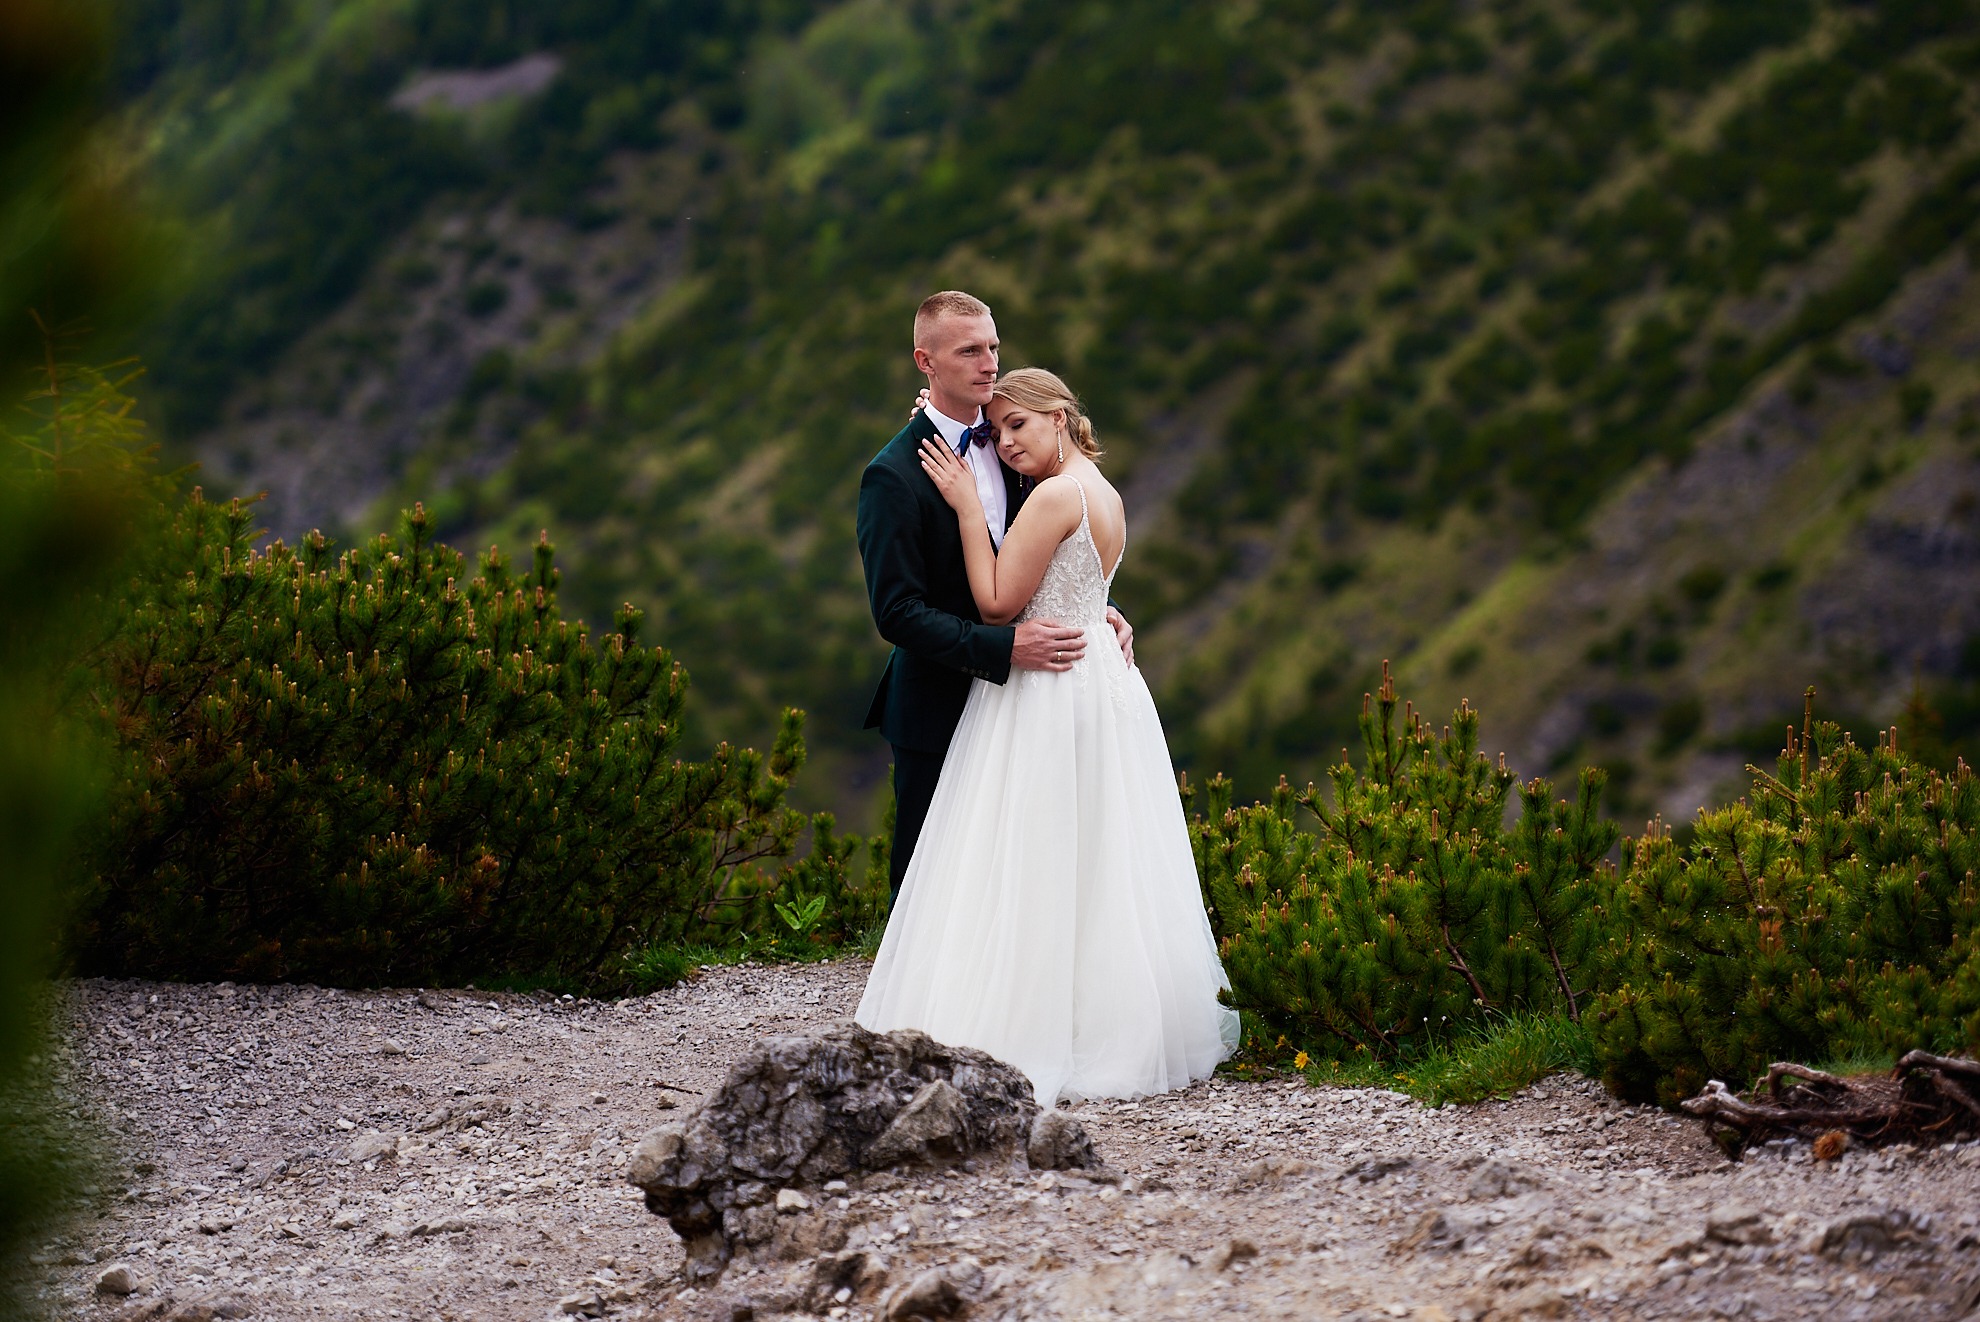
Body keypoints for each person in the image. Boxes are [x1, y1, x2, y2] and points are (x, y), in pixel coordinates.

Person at [856, 366, 1239, 1105]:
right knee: (1093, 858)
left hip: (1046, 688)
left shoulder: (1056, 494)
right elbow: (1079, 581)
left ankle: (1016, 1018)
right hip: (1100, 684)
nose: (1005, 444)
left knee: (1027, 854)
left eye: (1019, 426)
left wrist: (968, 507)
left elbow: (1000, 604)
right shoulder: (1103, 492)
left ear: (1059, 417)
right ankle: (1098, 1018)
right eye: (998, 431)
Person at [856, 291, 1133, 898]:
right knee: (930, 887)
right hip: (938, 702)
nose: (989, 364)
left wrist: (1097, 611)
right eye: (970, 351)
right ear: (925, 362)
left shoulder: (1015, 447)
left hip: (1033, 706)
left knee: (1026, 879)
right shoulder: (892, 475)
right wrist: (1006, 648)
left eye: (993, 347)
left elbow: (1056, 551)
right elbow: (897, 613)